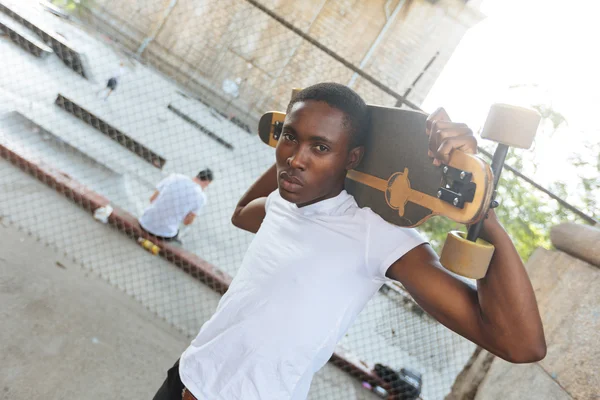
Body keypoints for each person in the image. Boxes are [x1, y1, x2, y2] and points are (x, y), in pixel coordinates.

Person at [153, 83, 546, 400]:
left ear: (353, 157)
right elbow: (241, 213)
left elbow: (520, 344)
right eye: (290, 138)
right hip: (185, 377)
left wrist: (482, 209)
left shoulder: (375, 234)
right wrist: (293, 151)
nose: (296, 159)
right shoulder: (281, 202)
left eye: (320, 147)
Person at [139, 169, 213, 241]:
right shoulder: (201, 197)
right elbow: (187, 222)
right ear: (207, 182)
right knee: (186, 229)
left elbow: (152, 199)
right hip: (164, 235)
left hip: (145, 223)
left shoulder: (175, 177)